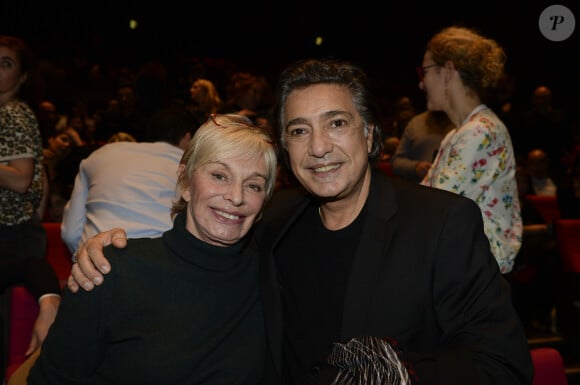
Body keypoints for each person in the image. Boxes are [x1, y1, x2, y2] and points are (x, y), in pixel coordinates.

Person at [69, 58, 533, 385]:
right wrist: (104, 255)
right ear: (286, 150)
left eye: (336, 123)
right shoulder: (272, 219)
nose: (318, 147)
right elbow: (197, 251)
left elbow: (503, 365)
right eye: (298, 130)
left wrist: (402, 374)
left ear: (369, 134)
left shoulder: (441, 223)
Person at [26, 114, 278, 384]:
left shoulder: (269, 278)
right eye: (219, 175)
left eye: (253, 185)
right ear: (185, 183)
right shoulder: (110, 270)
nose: (236, 197)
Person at [418, 26, 522, 274]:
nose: (421, 84)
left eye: (425, 71)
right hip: (467, 269)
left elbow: (430, 208)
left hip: (475, 276)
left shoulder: (480, 132)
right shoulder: (460, 133)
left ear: (448, 71)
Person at [60, 105, 196, 255]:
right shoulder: (192, 168)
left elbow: (71, 233)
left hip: (100, 261)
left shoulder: (100, 155)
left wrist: (85, 260)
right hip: (164, 261)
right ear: (187, 138)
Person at [0, 35, 46, 258]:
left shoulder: (12, 112)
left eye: (6, 64)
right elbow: (42, 176)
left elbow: (21, 180)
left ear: (23, 76)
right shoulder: (15, 111)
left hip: (10, 234)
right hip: (19, 233)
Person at [391, 110, 454, 183]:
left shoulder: (462, 122)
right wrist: (415, 167)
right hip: (420, 188)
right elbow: (396, 161)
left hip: (453, 188)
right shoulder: (416, 124)